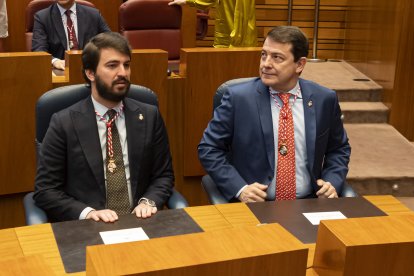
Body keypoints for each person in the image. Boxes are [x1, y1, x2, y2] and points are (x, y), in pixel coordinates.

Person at [198, 26, 351, 203]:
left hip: (309, 202)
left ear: (299, 64)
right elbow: (209, 148)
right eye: (264, 55)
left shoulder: (324, 99)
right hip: (255, 205)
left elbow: (339, 149)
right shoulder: (238, 99)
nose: (266, 64)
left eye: (277, 57)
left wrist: (331, 182)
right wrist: (240, 189)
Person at [34, 32, 174, 222]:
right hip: (87, 227)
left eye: (126, 65)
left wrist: (148, 201)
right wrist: (88, 213)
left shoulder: (149, 116)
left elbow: (163, 175)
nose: (123, 73)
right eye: (112, 65)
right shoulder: (63, 122)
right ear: (90, 73)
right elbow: (46, 190)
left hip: (140, 220)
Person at [32, 0, 110, 70]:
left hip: (90, 68)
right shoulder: (42, 17)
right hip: (60, 71)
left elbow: (110, 42)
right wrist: (54, 61)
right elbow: (39, 50)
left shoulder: (93, 14)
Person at [168, 0, 257, 48]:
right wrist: (186, 1)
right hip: (224, 39)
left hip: (239, 41)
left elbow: (241, 15)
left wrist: (235, 43)